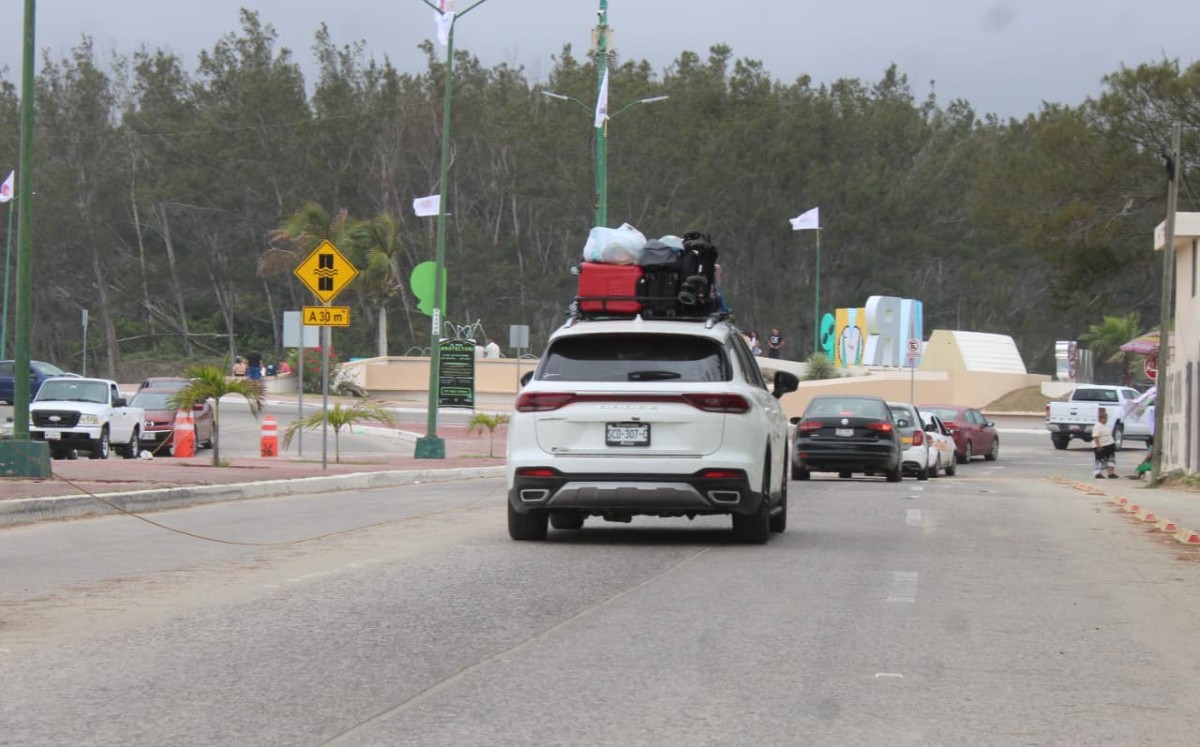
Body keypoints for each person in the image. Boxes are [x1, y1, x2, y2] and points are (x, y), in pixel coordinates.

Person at [1091, 408, 1118, 479]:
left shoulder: (1105, 425)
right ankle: (1097, 473)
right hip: (1101, 446)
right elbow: (1095, 436)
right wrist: (1098, 445)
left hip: (1109, 445)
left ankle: (1111, 473)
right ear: (1101, 418)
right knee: (1099, 460)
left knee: (1110, 459)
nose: (1106, 419)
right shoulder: (1097, 426)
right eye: (1105, 418)